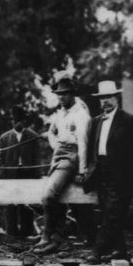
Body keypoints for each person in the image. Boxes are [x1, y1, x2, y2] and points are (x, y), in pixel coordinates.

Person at [83, 80, 133, 261]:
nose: (104, 101)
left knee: (112, 213)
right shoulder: (95, 122)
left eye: (108, 97)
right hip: (101, 174)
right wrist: (87, 171)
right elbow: (91, 150)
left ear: (116, 98)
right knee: (108, 213)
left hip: (121, 176)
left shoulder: (129, 121)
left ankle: (97, 251)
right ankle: (121, 251)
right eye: (101, 98)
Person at [34, 77, 91, 255]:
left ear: (72, 94)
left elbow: (83, 144)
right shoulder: (61, 113)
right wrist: (56, 145)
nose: (61, 98)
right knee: (52, 195)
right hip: (59, 155)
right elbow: (51, 133)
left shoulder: (80, 114)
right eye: (59, 94)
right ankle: (48, 236)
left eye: (65, 94)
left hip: (72, 156)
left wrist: (82, 170)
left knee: (48, 196)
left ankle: (54, 237)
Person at [0, 106, 42, 237]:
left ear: (24, 121)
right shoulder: (5, 137)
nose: (17, 123)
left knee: (27, 204)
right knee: (10, 204)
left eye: (20, 120)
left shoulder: (32, 136)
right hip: (11, 174)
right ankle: (11, 234)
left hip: (27, 173)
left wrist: (37, 174)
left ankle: (26, 233)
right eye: (15, 120)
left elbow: (37, 156)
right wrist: (0, 174)